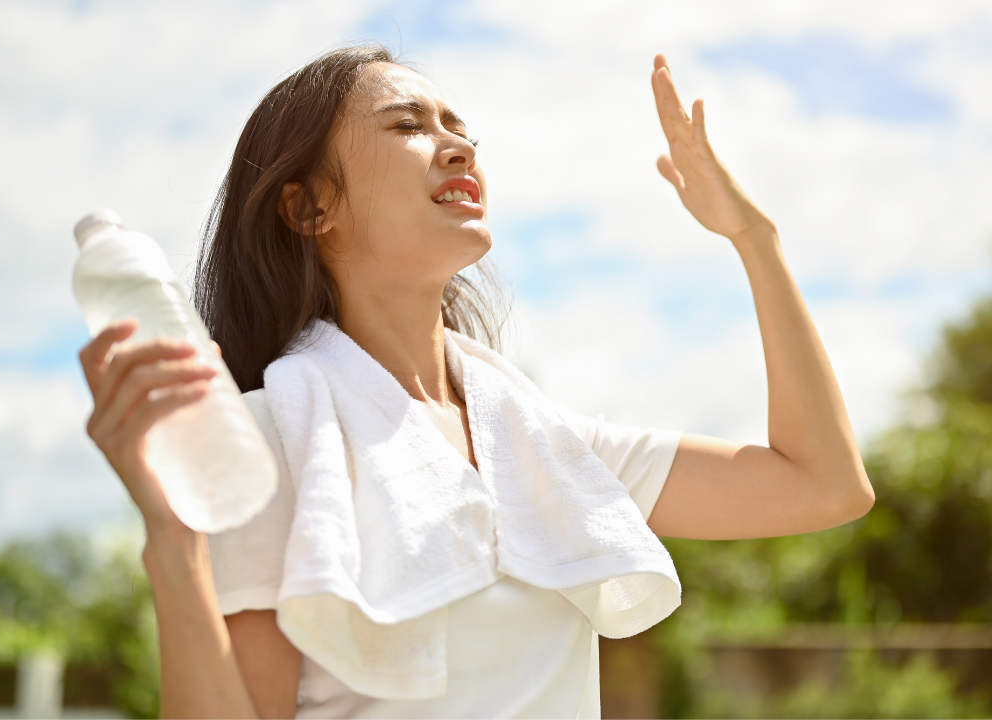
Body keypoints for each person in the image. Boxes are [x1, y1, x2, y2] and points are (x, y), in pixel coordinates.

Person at [77, 43, 874, 719]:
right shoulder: (269, 442)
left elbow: (824, 485)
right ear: (311, 205)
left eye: (460, 129)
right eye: (407, 126)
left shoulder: (548, 452)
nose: (457, 147)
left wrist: (754, 238)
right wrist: (175, 546)